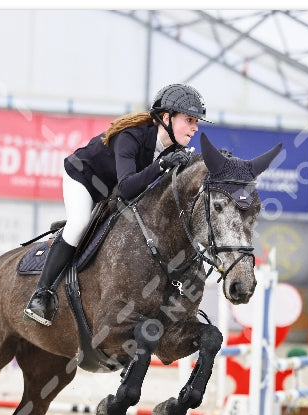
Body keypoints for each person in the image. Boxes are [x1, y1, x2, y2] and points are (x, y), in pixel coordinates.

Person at [24, 83, 211, 326]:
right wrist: (162, 166)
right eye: (189, 120)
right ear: (166, 117)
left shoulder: (176, 149)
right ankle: (42, 294)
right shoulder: (130, 136)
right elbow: (127, 187)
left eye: (196, 121)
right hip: (84, 178)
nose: (195, 127)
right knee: (80, 222)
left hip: (113, 192)